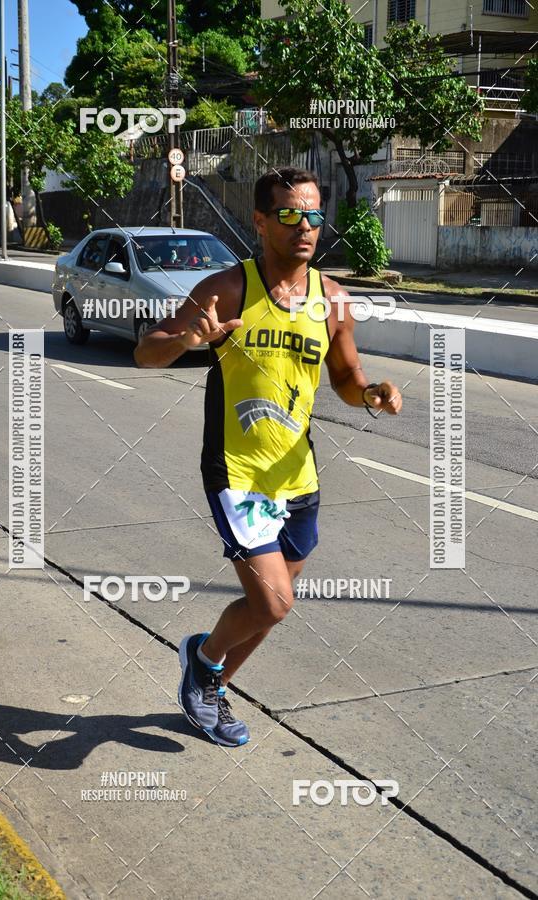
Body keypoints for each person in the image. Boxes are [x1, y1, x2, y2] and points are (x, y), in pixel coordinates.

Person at [134, 167, 402, 747]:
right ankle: (202, 658)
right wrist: (185, 340)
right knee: (273, 602)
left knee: (272, 604)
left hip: (298, 473)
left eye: (313, 215)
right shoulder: (227, 288)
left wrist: (371, 393)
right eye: (288, 215)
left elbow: (346, 376)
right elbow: (145, 352)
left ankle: (210, 686)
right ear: (259, 221)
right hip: (238, 470)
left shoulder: (332, 299)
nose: (304, 226)